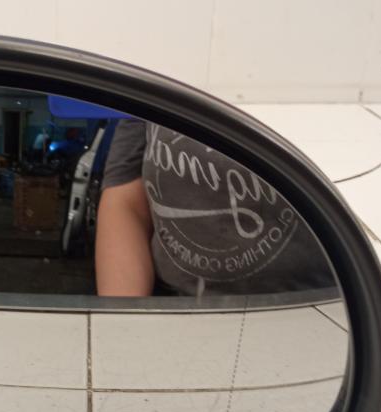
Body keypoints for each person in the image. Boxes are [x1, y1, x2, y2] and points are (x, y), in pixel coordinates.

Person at [95, 119, 336, 297]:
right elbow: (125, 201)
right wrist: (124, 324)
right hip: (177, 307)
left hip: (317, 308)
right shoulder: (163, 70)